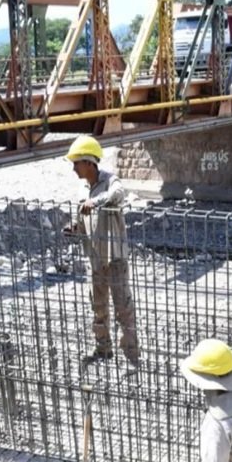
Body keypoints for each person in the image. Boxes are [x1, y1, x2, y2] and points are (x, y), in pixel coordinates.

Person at [63, 135, 139, 368]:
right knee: (98, 307)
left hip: (114, 257)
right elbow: (83, 218)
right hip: (94, 259)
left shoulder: (110, 181)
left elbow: (118, 195)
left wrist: (97, 202)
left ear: (88, 162)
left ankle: (131, 355)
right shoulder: (82, 188)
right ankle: (103, 348)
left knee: (123, 308)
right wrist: (74, 228)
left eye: (76, 163)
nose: (74, 168)